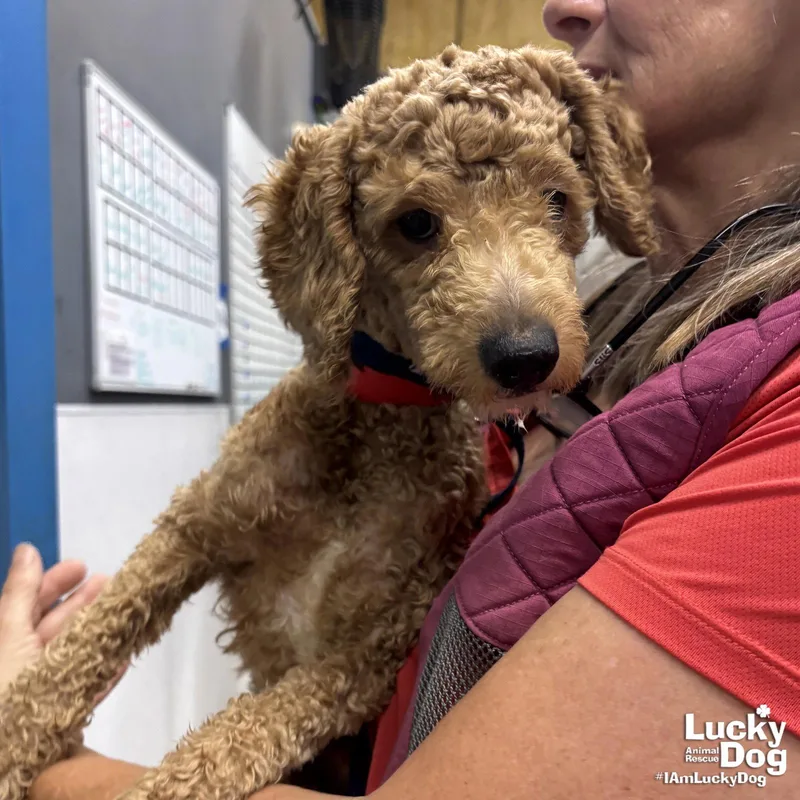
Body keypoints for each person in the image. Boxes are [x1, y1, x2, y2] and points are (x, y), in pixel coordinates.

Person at [14, 0, 800, 796]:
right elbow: (192, 542)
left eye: (552, 202)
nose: (564, 6)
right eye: (419, 225)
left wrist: (52, 769)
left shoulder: (779, 425)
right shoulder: (601, 331)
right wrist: (37, 711)